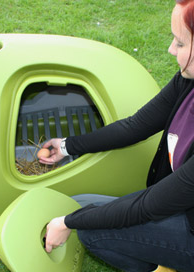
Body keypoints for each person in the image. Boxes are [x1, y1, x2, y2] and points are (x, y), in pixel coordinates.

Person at [39, 1, 194, 271]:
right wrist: (67, 146)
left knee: (92, 231)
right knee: (82, 204)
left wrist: (68, 223)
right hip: (178, 203)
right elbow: (135, 126)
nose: (170, 49)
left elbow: (149, 206)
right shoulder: (188, 80)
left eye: (180, 43)